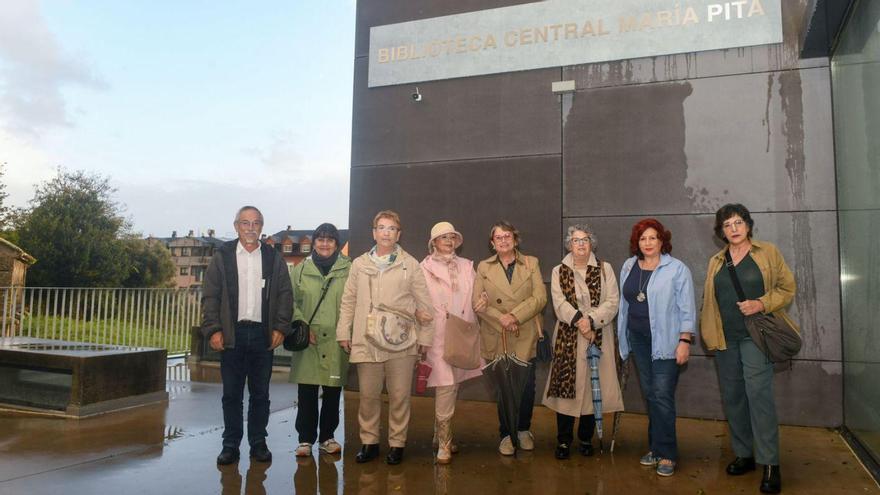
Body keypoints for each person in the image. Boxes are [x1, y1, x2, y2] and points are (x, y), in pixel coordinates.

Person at [700, 204, 796, 494]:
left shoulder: (767, 252)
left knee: (759, 397)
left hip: (755, 337)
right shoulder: (716, 261)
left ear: (749, 225)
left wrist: (761, 303)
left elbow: (787, 288)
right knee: (733, 398)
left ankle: (770, 463)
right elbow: (710, 300)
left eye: (739, 222)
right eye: (727, 225)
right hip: (724, 339)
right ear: (721, 232)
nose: (734, 228)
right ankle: (744, 454)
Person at [336, 210, 434, 465]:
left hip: (401, 343)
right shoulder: (358, 264)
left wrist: (424, 338)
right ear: (374, 232)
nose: (386, 233)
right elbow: (348, 301)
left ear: (398, 234)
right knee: (368, 395)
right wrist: (343, 331)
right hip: (366, 340)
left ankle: (397, 444)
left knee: (400, 395)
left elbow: (425, 306)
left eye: (392, 228)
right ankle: (369, 443)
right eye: (381, 227)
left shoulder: (410, 264)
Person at [202, 205, 293, 465]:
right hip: (232, 334)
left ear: (261, 227)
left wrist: (280, 327)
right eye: (245, 223)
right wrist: (213, 329)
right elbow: (210, 295)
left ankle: (258, 443)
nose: (251, 228)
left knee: (260, 394)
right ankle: (230, 445)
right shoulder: (223, 256)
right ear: (236, 226)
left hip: (263, 335)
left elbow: (285, 295)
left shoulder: (273, 258)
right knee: (231, 394)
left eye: (256, 223)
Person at [617, 218, 695, 477]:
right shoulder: (629, 266)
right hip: (638, 339)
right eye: (643, 238)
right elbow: (625, 304)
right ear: (636, 243)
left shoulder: (677, 269)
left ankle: (667, 454)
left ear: (662, 240)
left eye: (653, 237)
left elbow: (687, 308)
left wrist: (684, 341)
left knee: (661, 395)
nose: (648, 243)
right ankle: (657, 447)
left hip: (667, 342)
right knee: (652, 395)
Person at [542, 224, 623, 459]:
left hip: (598, 334)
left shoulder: (605, 269)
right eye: (576, 240)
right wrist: (580, 321)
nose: (580, 244)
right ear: (569, 244)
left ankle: (586, 438)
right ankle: (564, 441)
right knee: (565, 390)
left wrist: (592, 321)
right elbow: (558, 303)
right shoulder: (559, 270)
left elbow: (612, 301)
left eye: (585, 240)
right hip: (568, 336)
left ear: (592, 243)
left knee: (591, 387)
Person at [473, 220, 547, 456]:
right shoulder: (483, 267)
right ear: (492, 243)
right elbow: (477, 304)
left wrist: (514, 315)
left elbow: (540, 298)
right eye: (498, 237)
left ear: (515, 240)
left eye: (507, 236)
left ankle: (524, 429)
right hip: (497, 333)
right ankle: (506, 433)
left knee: (526, 386)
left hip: (524, 332)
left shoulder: (531, 262)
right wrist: (502, 318)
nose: (503, 240)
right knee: (503, 387)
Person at [419, 221, 484, 464]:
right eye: (443, 237)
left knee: (453, 385)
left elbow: (478, 293)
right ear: (433, 242)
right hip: (436, 334)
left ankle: (440, 435)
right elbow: (416, 298)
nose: (448, 241)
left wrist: (483, 300)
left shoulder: (468, 266)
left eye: (451, 237)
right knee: (445, 385)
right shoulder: (423, 268)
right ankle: (444, 444)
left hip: (462, 332)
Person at [289, 223, 352, 458]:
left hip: (336, 339)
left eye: (330, 240)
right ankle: (304, 439)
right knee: (306, 390)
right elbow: (290, 301)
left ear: (337, 243)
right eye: (320, 239)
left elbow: (354, 301)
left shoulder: (349, 269)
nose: (325, 244)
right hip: (309, 340)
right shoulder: (300, 270)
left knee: (333, 390)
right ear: (314, 242)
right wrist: (302, 325)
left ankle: (327, 437)